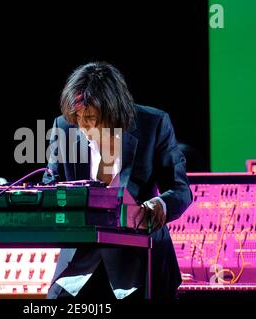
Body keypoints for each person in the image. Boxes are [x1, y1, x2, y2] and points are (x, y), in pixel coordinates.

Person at [42, 62, 192, 300]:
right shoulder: (64, 126)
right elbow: (50, 185)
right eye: (77, 117)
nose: (82, 126)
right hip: (80, 263)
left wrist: (159, 205)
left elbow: (180, 190)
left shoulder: (153, 123)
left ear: (112, 109)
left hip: (140, 261)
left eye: (89, 117)